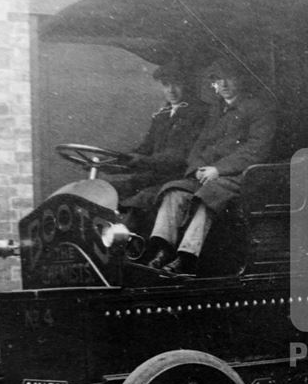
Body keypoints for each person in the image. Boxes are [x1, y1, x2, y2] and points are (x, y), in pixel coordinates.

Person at [146, 57, 278, 274]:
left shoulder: (259, 108)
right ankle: (162, 250)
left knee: (209, 196)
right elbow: (200, 144)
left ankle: (187, 257)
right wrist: (197, 168)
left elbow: (256, 150)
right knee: (174, 192)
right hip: (210, 175)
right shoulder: (217, 109)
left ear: (241, 80)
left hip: (240, 178)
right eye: (218, 80)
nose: (223, 85)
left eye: (229, 78)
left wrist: (218, 170)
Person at [111, 63, 207, 233]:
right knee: (108, 190)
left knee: (141, 199)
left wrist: (142, 161)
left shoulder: (199, 113)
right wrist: (116, 160)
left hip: (177, 178)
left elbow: (180, 157)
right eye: (165, 84)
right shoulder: (163, 114)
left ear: (186, 84)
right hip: (153, 175)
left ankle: (127, 247)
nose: (171, 90)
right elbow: (145, 147)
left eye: (176, 84)